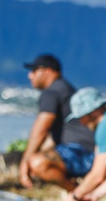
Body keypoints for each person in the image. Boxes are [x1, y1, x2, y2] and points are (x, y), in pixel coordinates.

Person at [19, 53, 95, 191]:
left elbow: (41, 128)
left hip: (82, 151)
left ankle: (77, 195)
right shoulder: (65, 88)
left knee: (38, 162)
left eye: (34, 71)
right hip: (87, 149)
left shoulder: (53, 92)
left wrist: (25, 162)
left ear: (47, 71)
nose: (30, 76)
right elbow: (52, 137)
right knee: (40, 157)